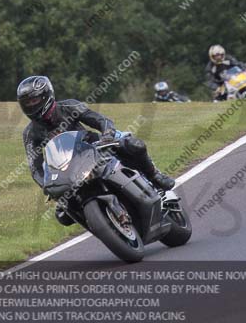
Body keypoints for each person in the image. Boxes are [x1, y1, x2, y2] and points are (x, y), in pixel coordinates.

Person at [17, 75, 175, 225]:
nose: (31, 105)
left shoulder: (69, 106)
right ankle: (100, 221)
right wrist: (47, 187)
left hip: (94, 147)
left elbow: (99, 120)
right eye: (27, 103)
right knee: (63, 215)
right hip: (67, 169)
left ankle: (154, 175)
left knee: (134, 145)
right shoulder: (30, 134)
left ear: (46, 95)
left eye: (34, 100)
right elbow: (35, 167)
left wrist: (107, 133)